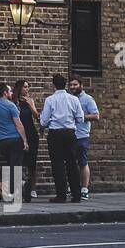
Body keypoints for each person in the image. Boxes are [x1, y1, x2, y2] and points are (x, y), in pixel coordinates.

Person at [40, 74, 85, 203]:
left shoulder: (50, 100)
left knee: (58, 165)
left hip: (55, 134)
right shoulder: (74, 99)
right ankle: (76, 195)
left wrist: (45, 124)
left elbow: (43, 121)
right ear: (65, 85)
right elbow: (80, 118)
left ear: (54, 85)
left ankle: (61, 195)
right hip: (70, 133)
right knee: (72, 163)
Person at [68, 76, 100, 199]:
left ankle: (84, 189)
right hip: (71, 135)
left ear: (81, 85)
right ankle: (73, 187)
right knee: (71, 163)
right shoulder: (69, 99)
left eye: (75, 84)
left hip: (82, 135)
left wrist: (80, 117)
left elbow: (96, 116)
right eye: (70, 85)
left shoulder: (87, 99)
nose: (72, 87)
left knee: (82, 162)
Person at [14, 80, 40, 201]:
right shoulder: (13, 102)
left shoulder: (30, 101)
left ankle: (33, 188)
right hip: (19, 134)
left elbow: (37, 116)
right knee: (19, 162)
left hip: (31, 133)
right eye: (25, 87)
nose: (27, 89)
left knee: (32, 163)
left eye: (28, 87)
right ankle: (20, 189)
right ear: (19, 88)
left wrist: (30, 105)